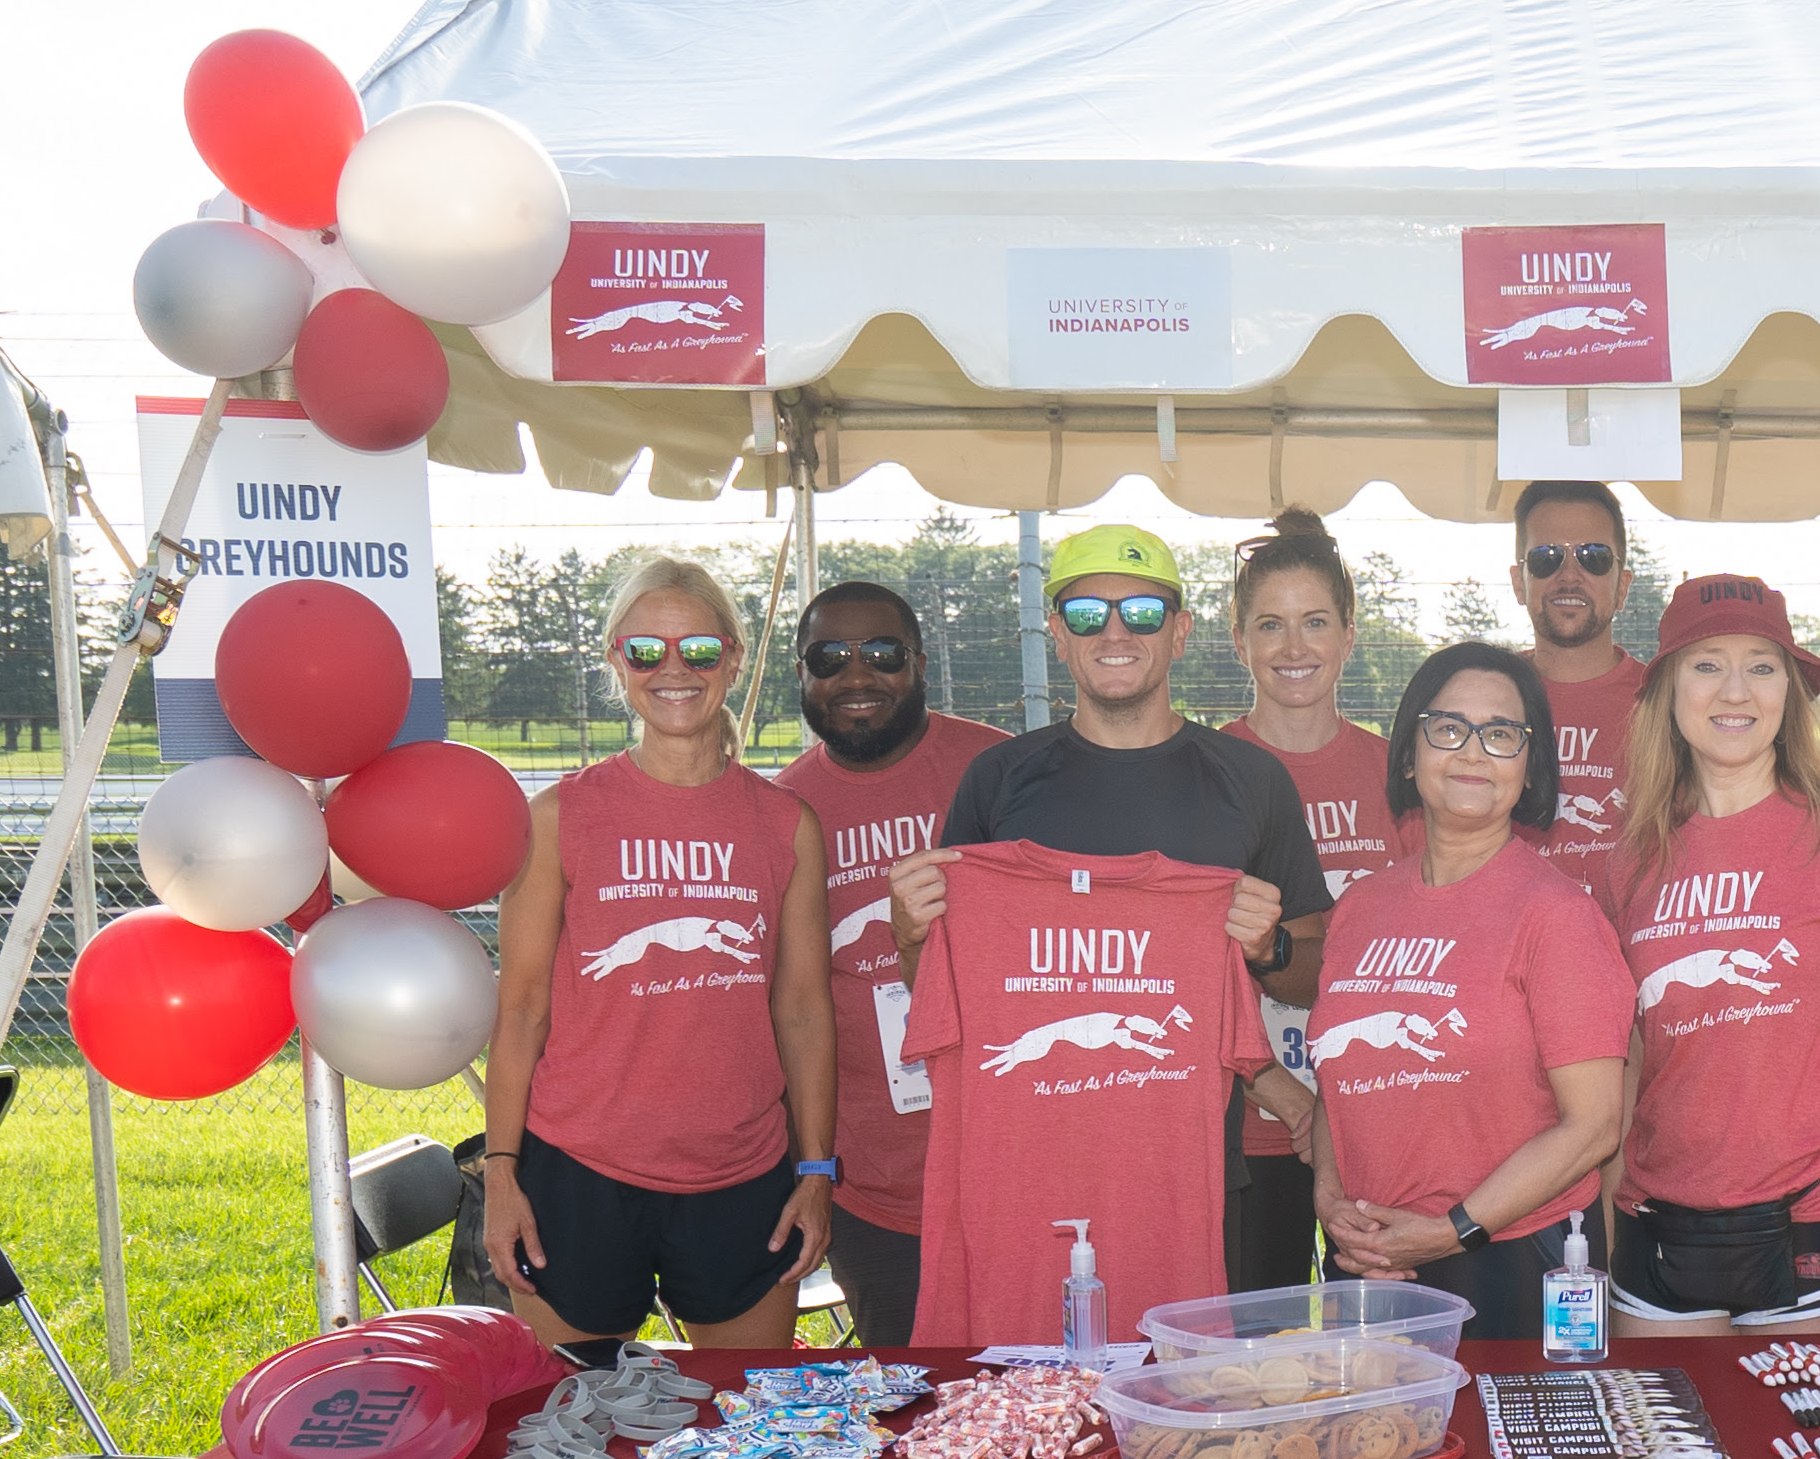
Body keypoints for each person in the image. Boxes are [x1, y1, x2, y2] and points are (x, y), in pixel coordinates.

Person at [937, 521, 1330, 1257]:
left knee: (1200, 1372)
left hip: (1194, 1167)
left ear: (1179, 632)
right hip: (1034, 1164)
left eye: (1142, 612)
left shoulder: (1249, 779)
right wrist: (905, 931)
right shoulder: (998, 781)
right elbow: (942, 984)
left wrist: (1266, 946)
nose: (1114, 630)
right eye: (1088, 613)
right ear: (1056, 632)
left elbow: (1316, 972)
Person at [480, 556, 835, 1348]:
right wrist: (501, 1173)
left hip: (742, 1175)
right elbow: (523, 1006)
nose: (673, 669)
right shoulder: (560, 816)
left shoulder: (786, 824)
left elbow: (805, 1011)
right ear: (617, 661)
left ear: (733, 660)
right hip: (578, 1172)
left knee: (750, 1430)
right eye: (647, 650)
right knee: (570, 1438)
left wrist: (816, 1173)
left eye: (699, 650)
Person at [1600, 572, 1820, 1331]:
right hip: (1657, 1232)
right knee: (1667, 1449)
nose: (1735, 689)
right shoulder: (1632, 858)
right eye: (1706, 663)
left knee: (1813, 1450)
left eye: (1761, 665)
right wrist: (1607, 1213)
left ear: (1789, 692)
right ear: (1666, 688)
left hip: (1813, 1229)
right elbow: (1627, 1059)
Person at [1310, 644, 1634, 1335]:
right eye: (1448, 727)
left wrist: (1450, 1229)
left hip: (1513, 1258)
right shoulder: (1360, 908)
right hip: (1371, 1259)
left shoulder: (1557, 914)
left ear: (1529, 765)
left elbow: (1594, 1125)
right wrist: (1330, 1196)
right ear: (1408, 751)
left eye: (1500, 734)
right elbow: (1342, 1073)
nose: (1472, 752)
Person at [772, 580, 1002, 1343]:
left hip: (1012, 1156)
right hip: (876, 1184)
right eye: (829, 657)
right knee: (911, 1402)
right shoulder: (782, 811)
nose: (857, 676)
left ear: (921, 663)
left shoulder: (998, 770)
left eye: (882, 654)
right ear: (800, 675)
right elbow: (787, 1007)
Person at [1215, 509, 1398, 1289]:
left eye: (1315, 622)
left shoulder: (1403, 775)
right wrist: (1277, 1089)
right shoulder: (1203, 774)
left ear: (1349, 633)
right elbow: (1181, 973)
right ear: (1238, 638)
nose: (1294, 648)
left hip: (1383, 1118)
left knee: (1382, 1368)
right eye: (1271, 625)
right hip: (1253, 1131)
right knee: (1258, 1373)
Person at [1508, 481, 1648, 896]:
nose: (1569, 575)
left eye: (1594, 557)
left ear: (1622, 585)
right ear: (1519, 582)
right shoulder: (1481, 700)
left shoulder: (1667, 701)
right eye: (1546, 558)